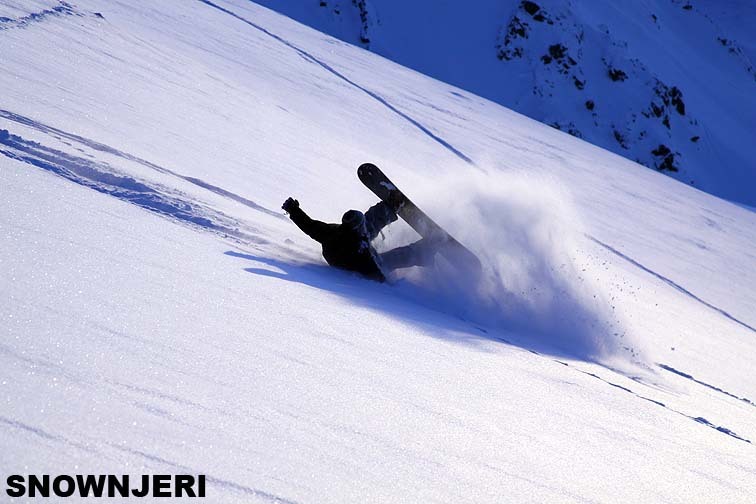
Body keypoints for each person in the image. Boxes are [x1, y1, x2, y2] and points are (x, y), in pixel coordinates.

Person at [282, 197, 437, 282]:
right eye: (360, 224)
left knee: (369, 222)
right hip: (357, 265)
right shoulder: (360, 249)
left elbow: (309, 225)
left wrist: (293, 210)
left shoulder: (333, 231)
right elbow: (375, 271)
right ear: (356, 228)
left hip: (346, 255)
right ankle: (424, 251)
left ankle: (388, 208)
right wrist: (385, 281)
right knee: (395, 257)